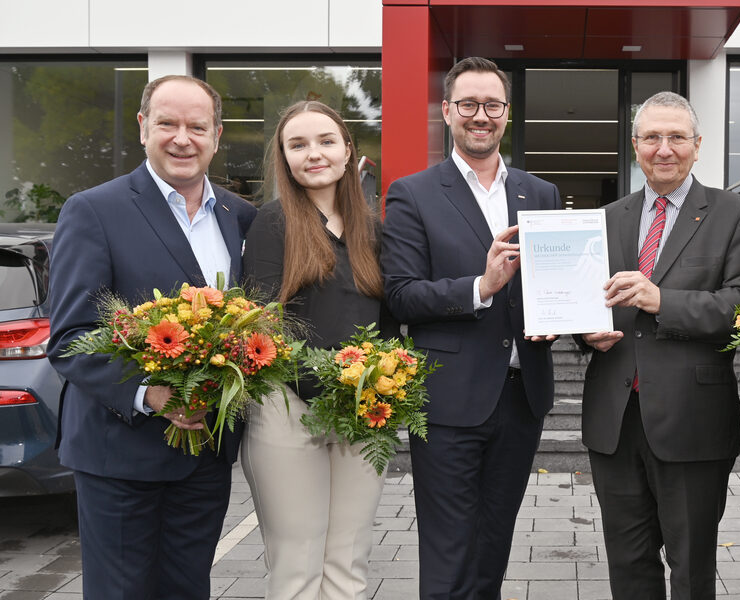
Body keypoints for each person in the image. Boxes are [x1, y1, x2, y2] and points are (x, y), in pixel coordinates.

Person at [46, 75, 256, 600]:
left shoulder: (239, 216)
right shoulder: (94, 210)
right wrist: (150, 393)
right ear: (143, 127)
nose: (182, 138)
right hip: (120, 454)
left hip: (204, 456)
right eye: (167, 123)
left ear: (217, 135)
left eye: (197, 127)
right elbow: (71, 336)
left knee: (189, 589)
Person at [379, 56, 561, 599]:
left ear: (508, 112)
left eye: (492, 105)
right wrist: (480, 288)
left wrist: (558, 319)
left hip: (521, 396)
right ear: (447, 111)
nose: (480, 116)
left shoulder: (540, 193)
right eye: (468, 105)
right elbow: (402, 295)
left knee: (493, 547)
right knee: (449, 551)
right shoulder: (412, 193)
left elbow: (548, 283)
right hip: (449, 400)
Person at [579, 91, 740, 600]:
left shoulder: (737, 214)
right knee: (628, 561)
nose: (665, 148)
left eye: (677, 137)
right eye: (652, 137)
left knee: (690, 566)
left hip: (692, 419)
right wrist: (584, 332)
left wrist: (662, 300)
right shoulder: (608, 216)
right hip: (614, 418)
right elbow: (585, 298)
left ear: (697, 145)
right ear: (635, 145)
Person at [239, 100, 395, 599]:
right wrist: (335, 385)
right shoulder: (272, 223)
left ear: (349, 151)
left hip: (361, 411)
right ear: (284, 158)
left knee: (348, 562)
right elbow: (266, 324)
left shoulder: (374, 231)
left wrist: (378, 387)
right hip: (287, 408)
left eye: (326, 141)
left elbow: (390, 324)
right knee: (297, 567)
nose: (314, 154)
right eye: (298, 144)